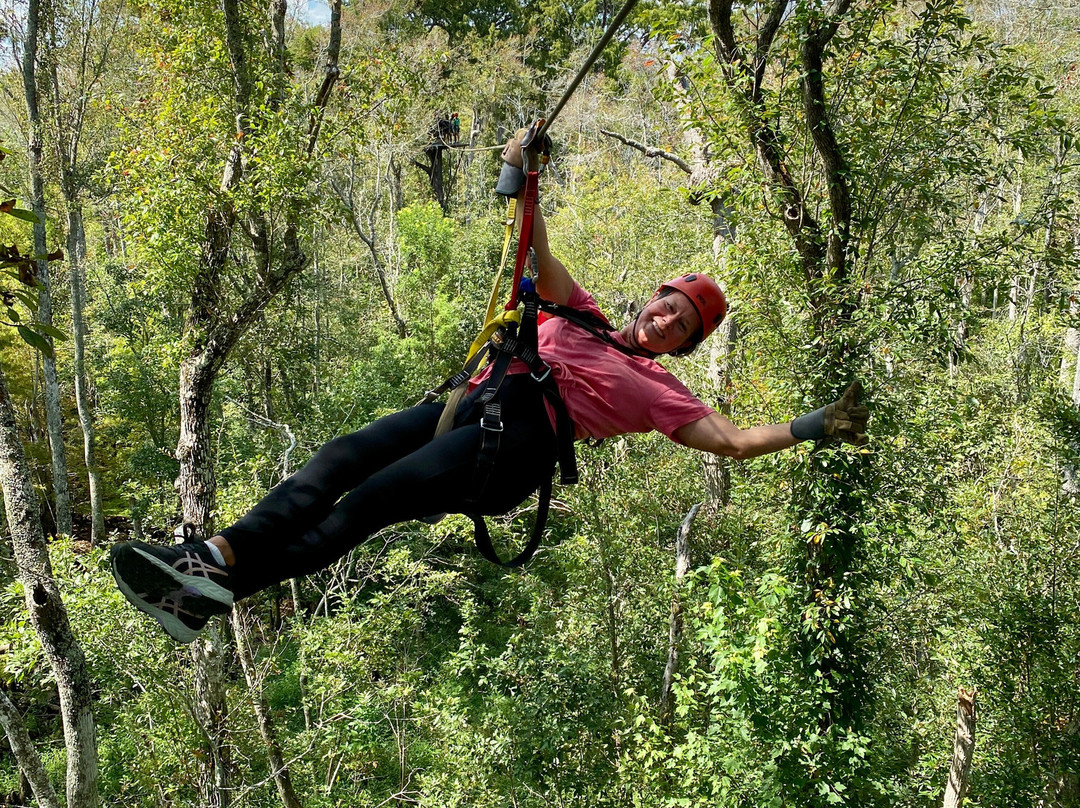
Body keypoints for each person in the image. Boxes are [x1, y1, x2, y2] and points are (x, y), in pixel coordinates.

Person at [111, 134, 868, 643]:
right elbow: (535, 241)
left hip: (514, 446)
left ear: (687, 345)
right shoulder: (585, 315)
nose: (667, 320)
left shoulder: (655, 389)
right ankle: (207, 564)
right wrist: (525, 167)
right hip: (465, 403)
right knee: (341, 458)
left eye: (684, 325)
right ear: (653, 297)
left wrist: (813, 425)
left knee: (368, 503)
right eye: (669, 303)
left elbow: (734, 442)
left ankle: (209, 591)